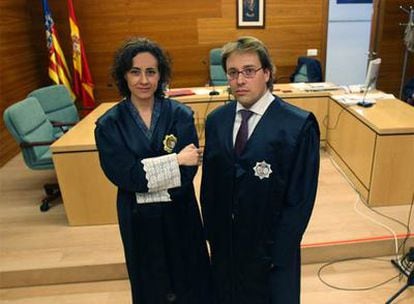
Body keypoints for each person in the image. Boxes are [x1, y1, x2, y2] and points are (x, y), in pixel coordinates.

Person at [201, 36, 320, 304]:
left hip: (270, 252)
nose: (240, 80)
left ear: (267, 73)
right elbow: (209, 187)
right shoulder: (216, 121)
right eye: (232, 73)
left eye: (249, 71)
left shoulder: (297, 126)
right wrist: (213, 236)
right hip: (226, 248)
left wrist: (278, 253)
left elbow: (300, 200)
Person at [95, 37, 211, 304]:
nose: (143, 80)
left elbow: (187, 174)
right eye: (135, 71)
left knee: (190, 277)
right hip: (137, 217)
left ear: (161, 75)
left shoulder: (180, 114)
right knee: (149, 281)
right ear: (124, 76)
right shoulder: (109, 124)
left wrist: (150, 172)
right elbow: (125, 176)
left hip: (180, 211)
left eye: (151, 71)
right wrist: (175, 161)